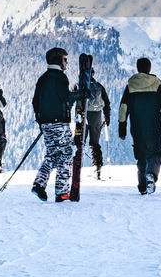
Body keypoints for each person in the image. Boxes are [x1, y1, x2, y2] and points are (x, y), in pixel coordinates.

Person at [118, 57, 161, 195]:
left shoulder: (130, 86)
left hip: (137, 128)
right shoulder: (156, 84)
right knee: (155, 154)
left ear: (138, 68)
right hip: (153, 127)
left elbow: (123, 108)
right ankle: (151, 174)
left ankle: (143, 186)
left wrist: (122, 128)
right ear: (149, 68)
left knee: (141, 156)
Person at [31, 48, 77, 202]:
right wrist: (81, 94)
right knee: (65, 155)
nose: (66, 62)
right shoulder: (60, 77)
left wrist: (41, 122)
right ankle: (62, 192)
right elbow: (65, 98)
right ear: (58, 60)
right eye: (65, 59)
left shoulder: (43, 78)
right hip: (59, 124)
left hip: (46, 124)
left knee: (52, 155)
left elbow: (35, 102)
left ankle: (39, 184)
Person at [75, 54, 111, 180]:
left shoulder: (77, 86)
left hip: (82, 116)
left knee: (79, 143)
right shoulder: (99, 86)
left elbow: (69, 101)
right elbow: (106, 103)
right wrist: (107, 118)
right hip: (97, 117)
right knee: (94, 144)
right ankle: (97, 169)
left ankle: (76, 168)